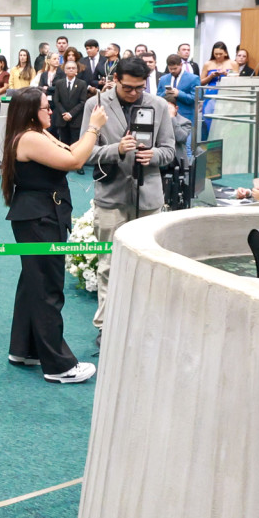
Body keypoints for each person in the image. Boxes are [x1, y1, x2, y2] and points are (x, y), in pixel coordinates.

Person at [2, 87, 104, 384]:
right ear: (31, 112)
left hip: (41, 215)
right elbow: (74, 162)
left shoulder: (37, 133)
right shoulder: (30, 137)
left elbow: (71, 152)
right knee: (47, 289)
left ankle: (24, 349)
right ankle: (58, 365)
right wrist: (94, 127)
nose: (51, 111)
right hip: (39, 218)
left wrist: (90, 130)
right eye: (46, 107)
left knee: (33, 285)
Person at [82, 57, 175, 324]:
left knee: (149, 265)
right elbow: (85, 152)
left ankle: (145, 323)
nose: (134, 93)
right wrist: (117, 149)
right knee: (109, 265)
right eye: (128, 88)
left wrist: (154, 155)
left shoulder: (158, 105)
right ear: (115, 80)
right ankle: (106, 325)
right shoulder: (95, 105)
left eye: (139, 87)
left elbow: (169, 150)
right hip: (111, 197)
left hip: (148, 197)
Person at [49, 55, 90, 146]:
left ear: (76, 71)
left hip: (76, 120)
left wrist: (71, 114)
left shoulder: (82, 84)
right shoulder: (59, 83)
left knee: (75, 144)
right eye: (68, 68)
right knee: (63, 144)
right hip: (62, 119)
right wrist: (64, 113)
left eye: (73, 68)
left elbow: (82, 102)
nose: (71, 70)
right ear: (65, 70)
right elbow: (56, 100)